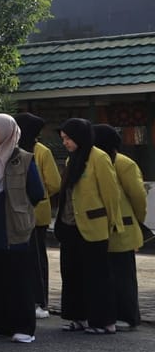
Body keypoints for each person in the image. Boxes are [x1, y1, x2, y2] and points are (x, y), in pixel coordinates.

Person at [0, 114, 47, 343]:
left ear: (7, 131)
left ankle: (24, 327)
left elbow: (36, 192)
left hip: (13, 228)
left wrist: (18, 207)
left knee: (18, 279)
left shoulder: (22, 158)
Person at [55, 118, 123, 334]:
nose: (66, 142)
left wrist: (113, 224)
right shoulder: (70, 160)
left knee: (97, 276)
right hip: (70, 226)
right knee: (72, 273)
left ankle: (104, 321)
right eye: (63, 139)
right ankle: (79, 317)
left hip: (93, 227)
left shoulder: (99, 158)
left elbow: (111, 195)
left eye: (68, 138)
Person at [92, 124, 145, 330]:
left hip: (123, 226)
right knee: (108, 274)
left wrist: (138, 220)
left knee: (123, 275)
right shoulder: (93, 161)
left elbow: (138, 195)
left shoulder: (124, 163)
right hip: (101, 227)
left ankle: (129, 316)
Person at [15, 113, 62, 319]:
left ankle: (40, 300)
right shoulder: (15, 150)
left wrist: (36, 194)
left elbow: (54, 182)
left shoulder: (41, 151)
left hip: (35, 214)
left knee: (36, 259)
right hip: (19, 214)